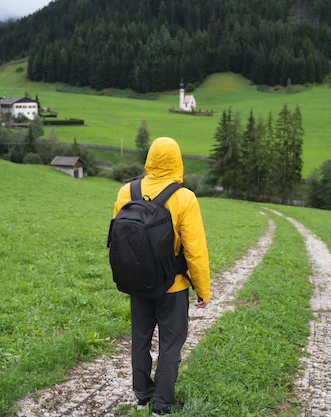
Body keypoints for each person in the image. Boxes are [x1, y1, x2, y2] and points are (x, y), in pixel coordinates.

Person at [112, 137, 211, 415]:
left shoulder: (125, 192)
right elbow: (195, 250)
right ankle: (164, 403)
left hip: (137, 282)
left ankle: (143, 394)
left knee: (140, 339)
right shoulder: (184, 197)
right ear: (177, 161)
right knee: (170, 343)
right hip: (173, 286)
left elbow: (120, 241)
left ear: (150, 159)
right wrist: (203, 289)